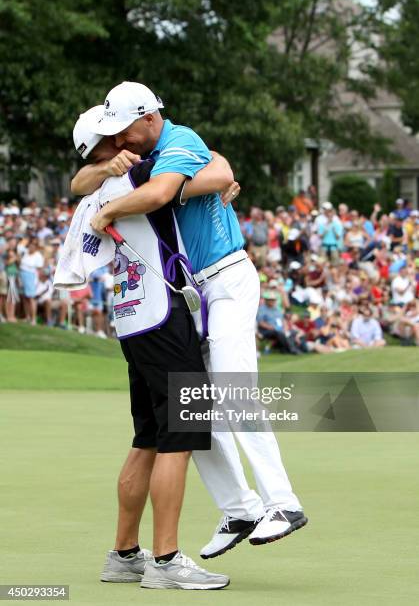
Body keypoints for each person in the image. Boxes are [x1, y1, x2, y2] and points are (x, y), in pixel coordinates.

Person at [72, 82, 306, 559]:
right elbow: (80, 182)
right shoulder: (147, 153)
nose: (121, 141)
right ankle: (240, 507)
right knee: (192, 404)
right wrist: (104, 171)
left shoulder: (181, 143)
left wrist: (111, 208)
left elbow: (162, 191)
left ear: (149, 118)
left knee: (233, 387)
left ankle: (283, 502)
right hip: (195, 292)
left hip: (228, 277)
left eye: (125, 131)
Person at [68, 105, 235, 589]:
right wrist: (221, 177)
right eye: (111, 137)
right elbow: (214, 168)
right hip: (164, 314)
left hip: (134, 320)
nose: (124, 139)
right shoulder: (135, 173)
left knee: (147, 438)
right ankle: (165, 561)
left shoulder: (103, 180)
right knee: (180, 435)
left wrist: (102, 166)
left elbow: (80, 179)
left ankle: (123, 554)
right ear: (101, 146)